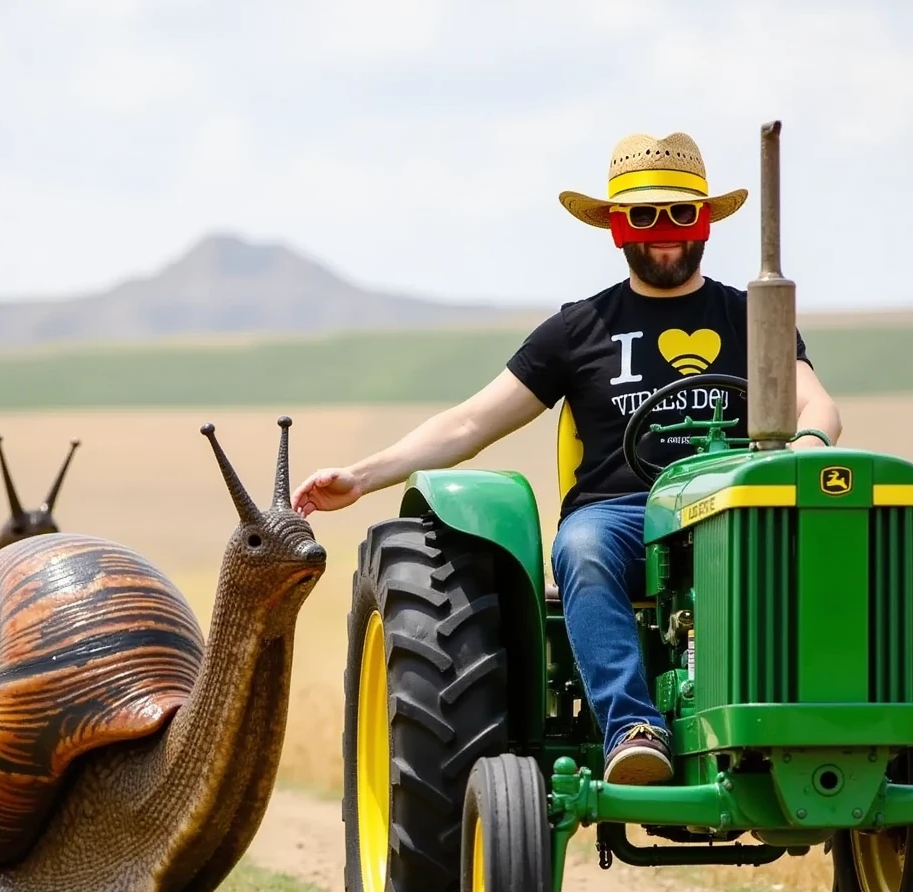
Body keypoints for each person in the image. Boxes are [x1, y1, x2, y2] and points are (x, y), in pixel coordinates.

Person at [291, 130, 843, 787]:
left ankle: (826, 723)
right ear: (616, 227)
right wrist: (360, 476)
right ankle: (634, 730)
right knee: (582, 547)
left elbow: (818, 407)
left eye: (681, 214)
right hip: (625, 519)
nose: (663, 231)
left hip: (734, 508)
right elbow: (470, 420)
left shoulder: (753, 317)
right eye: (643, 215)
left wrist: (809, 445)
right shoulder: (578, 328)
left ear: (706, 223)